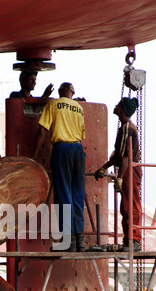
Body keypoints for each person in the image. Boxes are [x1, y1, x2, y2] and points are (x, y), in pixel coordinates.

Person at [32, 82, 86, 252]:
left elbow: (42, 132)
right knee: (77, 195)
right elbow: (82, 134)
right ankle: (80, 242)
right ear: (73, 92)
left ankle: (67, 242)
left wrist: (33, 158)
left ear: (61, 91)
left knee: (63, 195)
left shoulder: (53, 104)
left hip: (62, 149)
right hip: (78, 150)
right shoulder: (79, 108)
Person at [94, 97, 142, 252]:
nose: (115, 106)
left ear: (122, 109)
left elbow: (127, 157)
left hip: (130, 169)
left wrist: (120, 178)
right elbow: (118, 156)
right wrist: (104, 168)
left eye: (118, 105)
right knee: (125, 205)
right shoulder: (124, 128)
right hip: (126, 168)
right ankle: (129, 240)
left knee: (131, 203)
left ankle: (134, 239)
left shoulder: (128, 128)